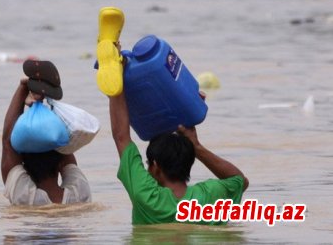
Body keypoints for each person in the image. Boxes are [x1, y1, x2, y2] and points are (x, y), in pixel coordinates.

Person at [97, 23, 249, 225]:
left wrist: (115, 82)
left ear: (156, 167)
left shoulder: (147, 198)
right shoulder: (210, 198)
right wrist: (197, 147)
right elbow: (240, 181)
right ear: (190, 161)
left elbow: (121, 136)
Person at [1, 60, 91, 205]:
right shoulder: (80, 194)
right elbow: (65, 146)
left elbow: (7, 142)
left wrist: (23, 87)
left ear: (24, 166)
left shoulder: (25, 198)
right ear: (60, 163)